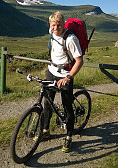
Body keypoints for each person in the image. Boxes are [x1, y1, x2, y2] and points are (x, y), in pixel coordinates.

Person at [43, 11, 83, 152]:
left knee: (67, 107)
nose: (55, 28)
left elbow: (79, 61)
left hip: (66, 74)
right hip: (52, 71)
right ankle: (45, 130)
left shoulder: (71, 39)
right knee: (47, 103)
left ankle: (69, 137)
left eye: (58, 25)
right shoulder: (52, 31)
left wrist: (68, 77)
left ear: (63, 24)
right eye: (53, 25)